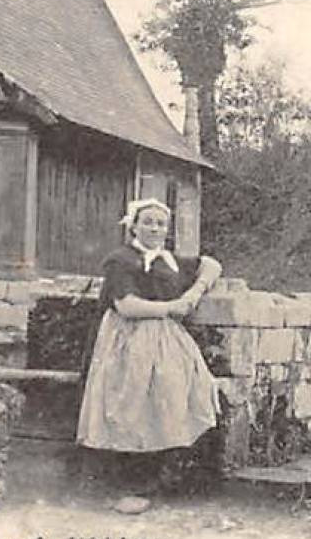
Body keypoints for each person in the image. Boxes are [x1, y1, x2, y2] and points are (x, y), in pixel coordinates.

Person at [76, 198, 223, 514]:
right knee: (131, 403)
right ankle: (127, 485)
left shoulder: (168, 260)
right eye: (148, 222)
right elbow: (126, 305)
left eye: (161, 224)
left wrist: (193, 294)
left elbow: (212, 265)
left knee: (178, 395)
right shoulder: (121, 259)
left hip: (166, 339)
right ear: (133, 226)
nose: (155, 228)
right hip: (127, 339)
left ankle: (164, 478)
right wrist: (172, 307)